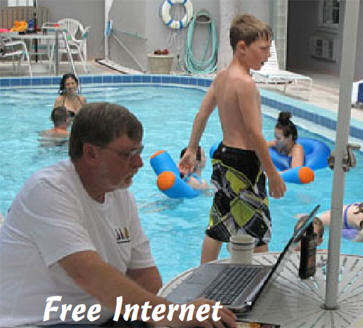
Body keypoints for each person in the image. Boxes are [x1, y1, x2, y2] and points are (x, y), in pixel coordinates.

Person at [0, 103, 236, 327]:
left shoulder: (120, 195)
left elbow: (145, 276)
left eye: (139, 152)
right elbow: (88, 274)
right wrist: (174, 313)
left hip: (105, 319)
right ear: (91, 153)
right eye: (128, 154)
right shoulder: (48, 190)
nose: (139, 163)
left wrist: (177, 317)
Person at [179, 14, 286, 264]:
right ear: (242, 47)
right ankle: (259, 289)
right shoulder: (245, 83)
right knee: (258, 232)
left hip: (224, 158)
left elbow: (202, 114)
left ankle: (204, 276)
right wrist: (271, 173)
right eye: (263, 49)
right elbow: (255, 133)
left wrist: (192, 149)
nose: (267, 55)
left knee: (218, 225)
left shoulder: (222, 77)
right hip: (245, 164)